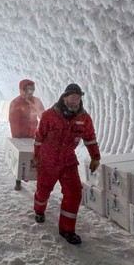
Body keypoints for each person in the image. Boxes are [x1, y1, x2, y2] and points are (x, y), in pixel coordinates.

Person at [32, 83, 100, 245]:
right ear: (64, 98)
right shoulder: (49, 116)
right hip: (48, 160)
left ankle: (67, 230)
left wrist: (95, 157)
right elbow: (39, 137)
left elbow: (90, 138)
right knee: (44, 189)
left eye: (78, 98)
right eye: (72, 97)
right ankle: (39, 210)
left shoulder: (84, 119)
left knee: (75, 193)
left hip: (68, 161)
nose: (75, 101)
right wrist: (36, 156)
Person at [8, 79, 45, 191]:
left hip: (33, 134)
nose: (30, 92)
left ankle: (35, 179)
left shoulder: (36, 101)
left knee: (35, 157)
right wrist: (17, 137)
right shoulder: (16, 103)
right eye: (27, 89)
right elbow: (14, 121)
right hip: (20, 136)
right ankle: (18, 181)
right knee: (21, 158)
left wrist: (43, 131)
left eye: (31, 89)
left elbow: (43, 116)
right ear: (22, 90)